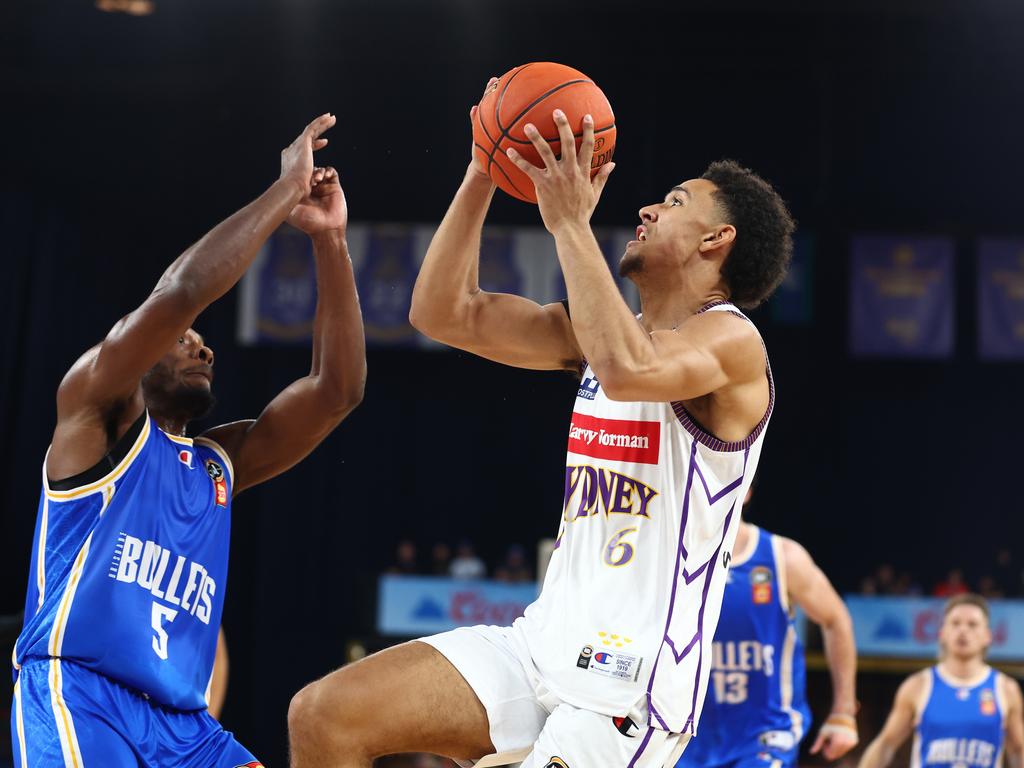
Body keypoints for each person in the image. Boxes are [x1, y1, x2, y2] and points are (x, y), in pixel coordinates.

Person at [287, 82, 794, 768]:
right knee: (324, 717)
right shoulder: (602, 332)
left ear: (716, 239)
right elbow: (443, 312)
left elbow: (629, 369)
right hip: (540, 647)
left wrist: (569, 224)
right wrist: (482, 169)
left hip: (630, 688)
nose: (645, 207)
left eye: (673, 202)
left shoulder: (734, 344)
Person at [10, 113, 366, 767]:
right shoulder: (93, 417)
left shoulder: (217, 465)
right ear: (134, 348)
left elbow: (335, 392)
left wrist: (330, 241)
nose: (202, 343)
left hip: (188, 729)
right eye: (182, 338)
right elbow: (182, 293)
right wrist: (284, 191)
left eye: (202, 342)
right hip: (84, 698)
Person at [676, 488, 859, 768]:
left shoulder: (781, 556)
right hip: (683, 735)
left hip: (765, 735)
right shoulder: (666, 560)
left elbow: (836, 619)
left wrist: (843, 712)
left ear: (746, 487)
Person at [857, 594, 1024, 768]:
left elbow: (1018, 750)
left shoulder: (1005, 689)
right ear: (942, 633)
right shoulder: (918, 685)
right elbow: (886, 744)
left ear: (987, 636)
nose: (963, 630)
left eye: (972, 624)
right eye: (955, 623)